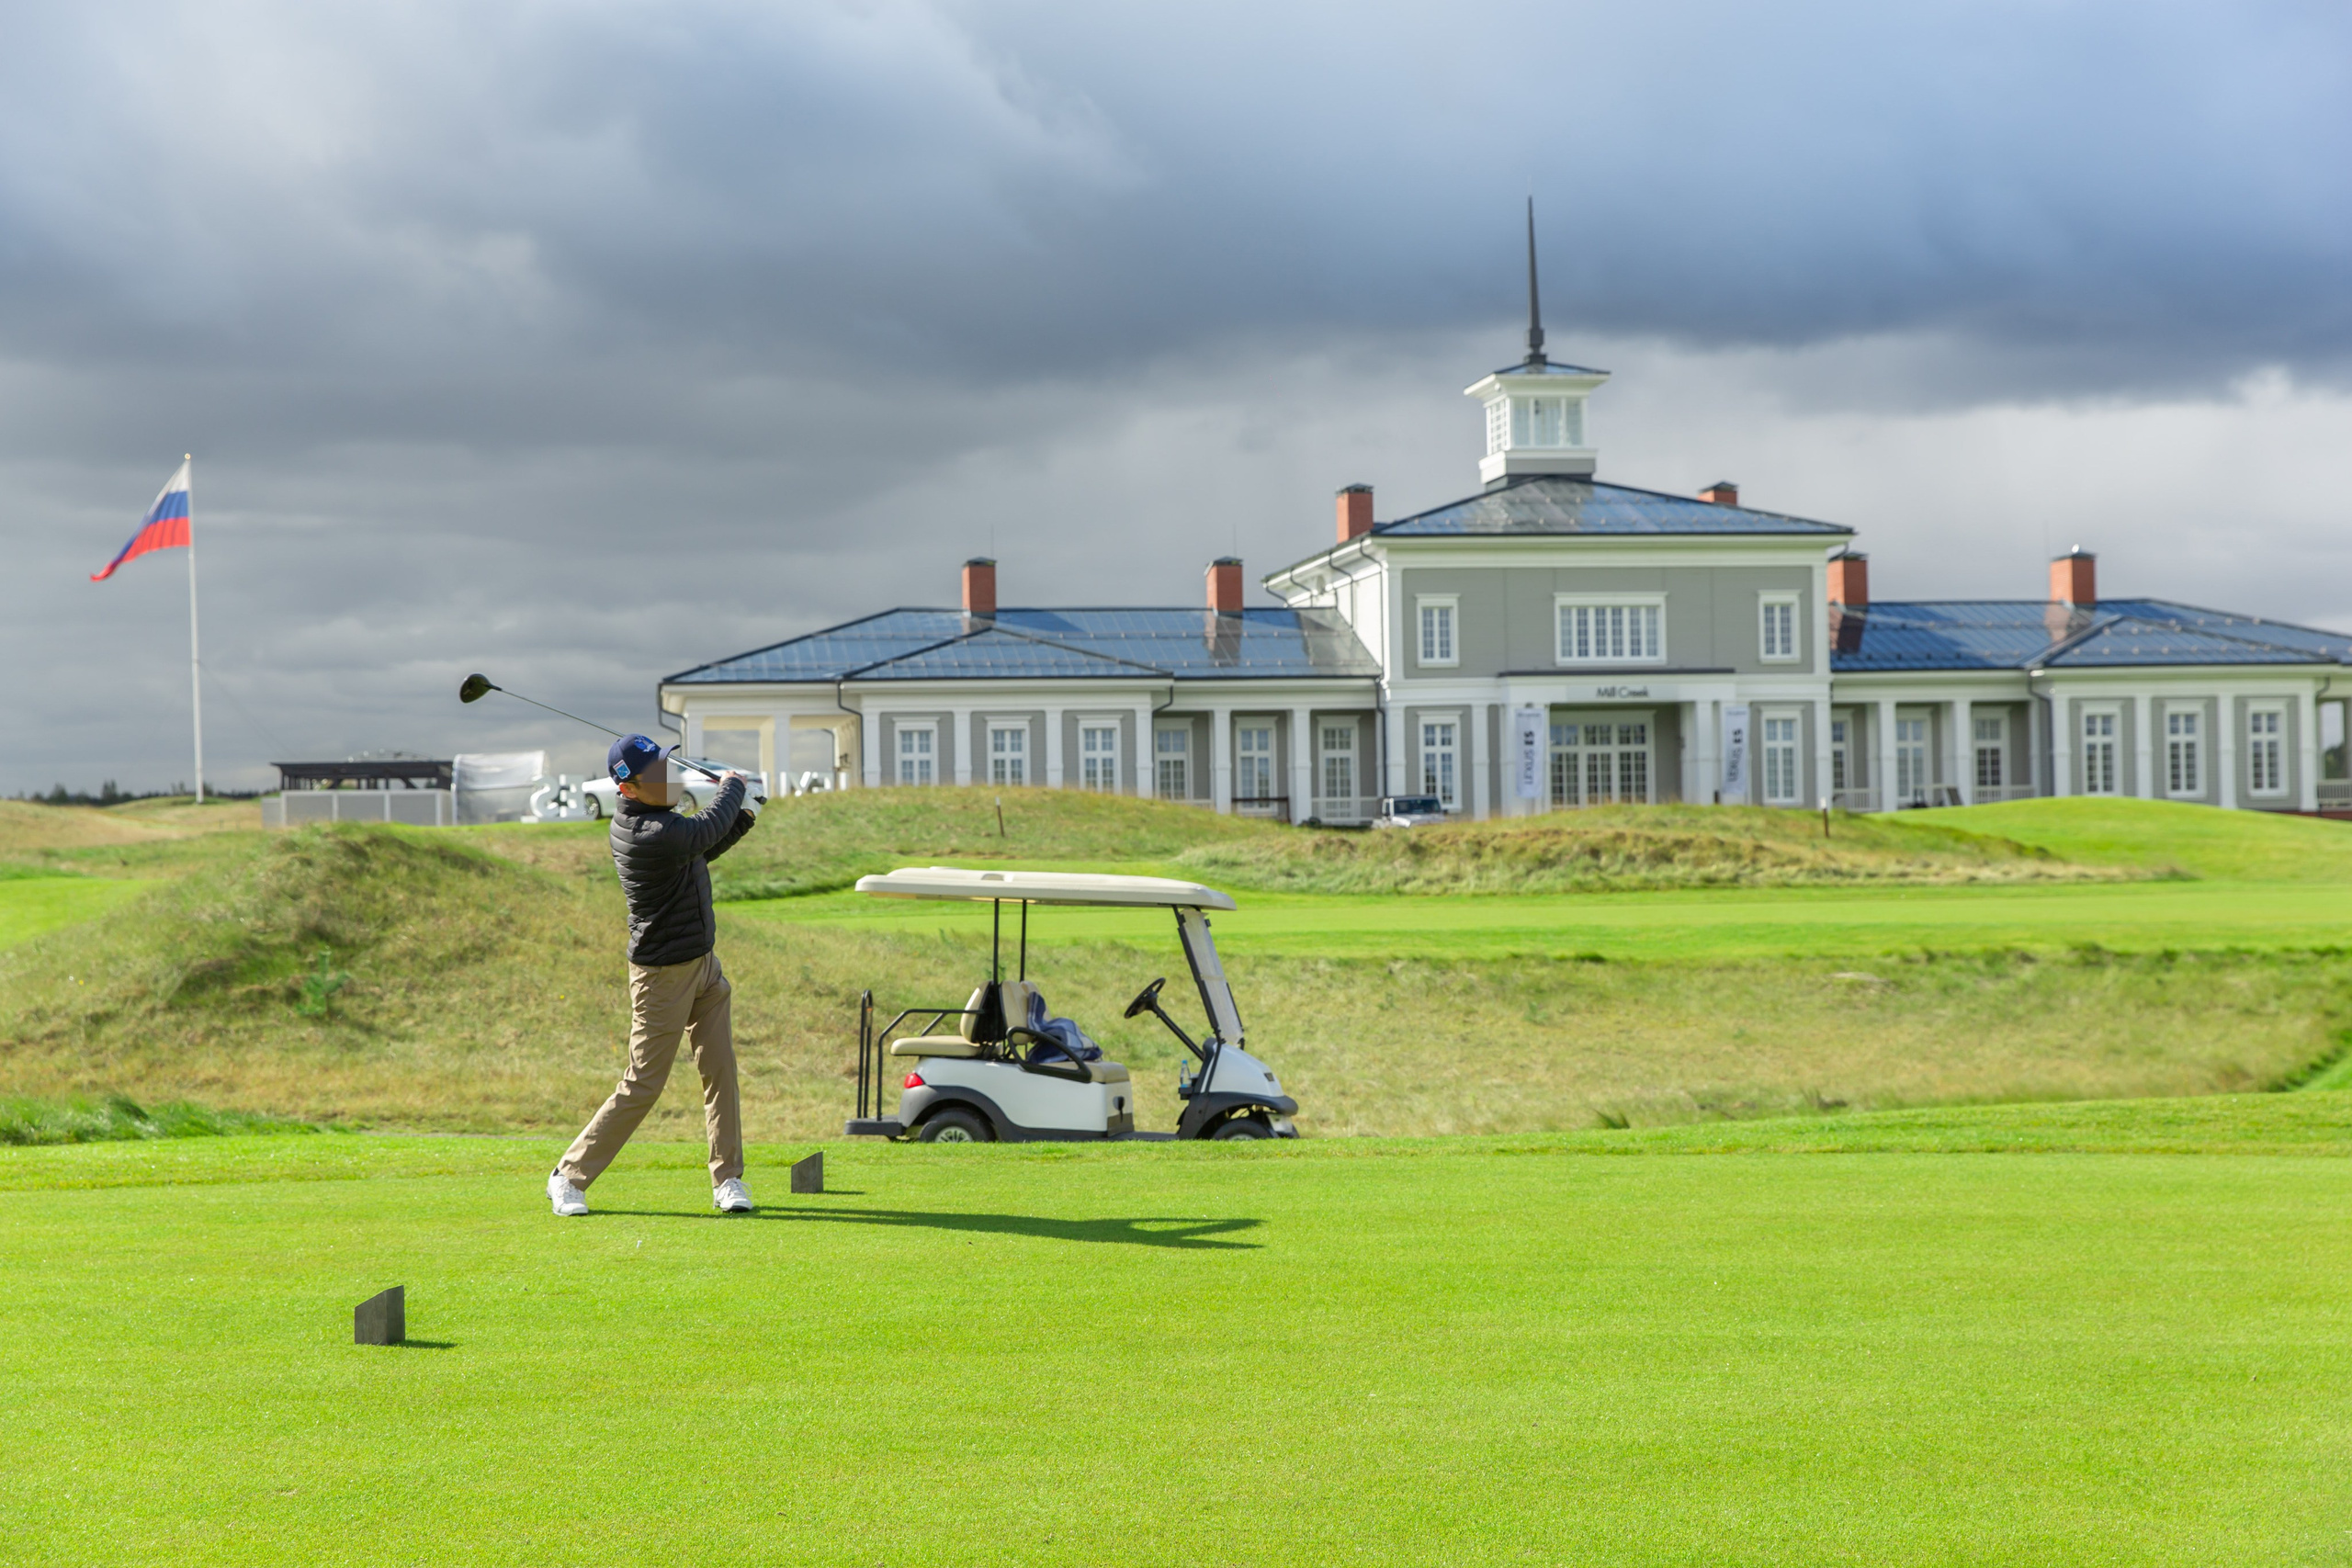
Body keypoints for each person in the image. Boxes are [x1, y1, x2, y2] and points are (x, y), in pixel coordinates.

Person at [548, 736, 759, 1217]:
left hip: (704, 964)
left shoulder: (664, 825)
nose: (673, 777)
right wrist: (732, 787)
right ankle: (569, 1176)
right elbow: (699, 834)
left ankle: (728, 1180)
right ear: (630, 787)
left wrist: (743, 816)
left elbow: (701, 852)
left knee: (720, 1071)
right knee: (643, 1082)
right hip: (662, 976)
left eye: (669, 766)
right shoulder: (644, 831)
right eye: (660, 773)